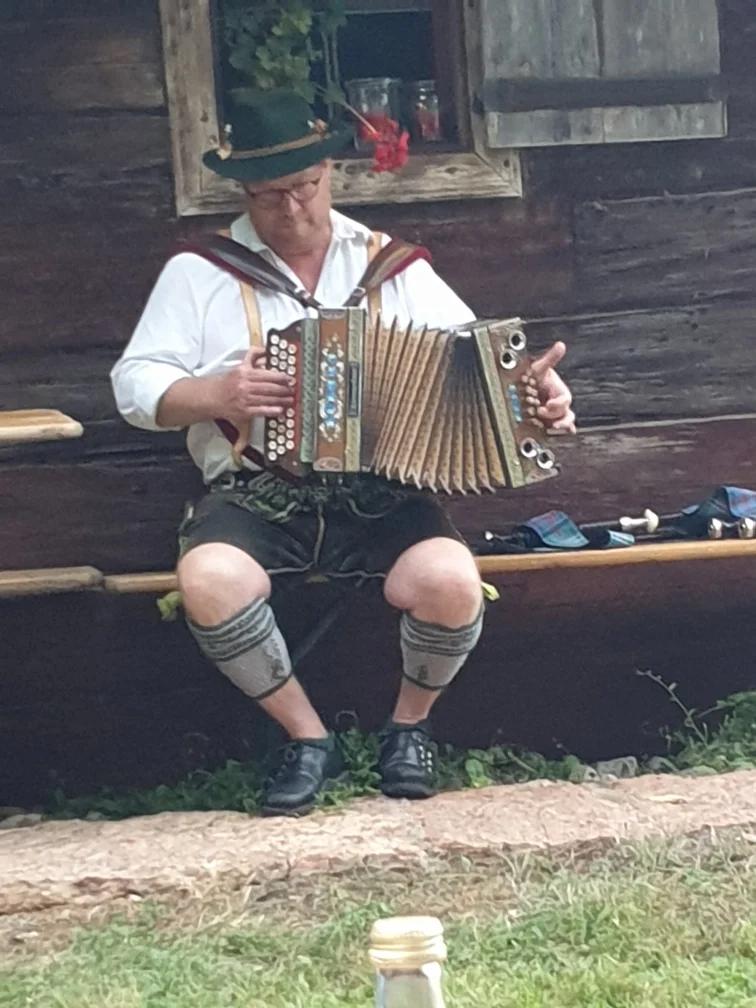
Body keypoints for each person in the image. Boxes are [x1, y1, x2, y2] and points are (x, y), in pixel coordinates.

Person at [111, 89, 575, 817]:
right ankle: (307, 738)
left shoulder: (393, 267)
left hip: (381, 494)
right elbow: (133, 385)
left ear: (331, 172)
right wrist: (217, 396)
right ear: (243, 192)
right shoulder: (200, 272)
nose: (292, 209)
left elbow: (480, 366)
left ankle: (408, 732)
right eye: (271, 197)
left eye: (306, 188)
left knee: (452, 581)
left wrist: (542, 398)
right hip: (256, 495)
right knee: (208, 582)